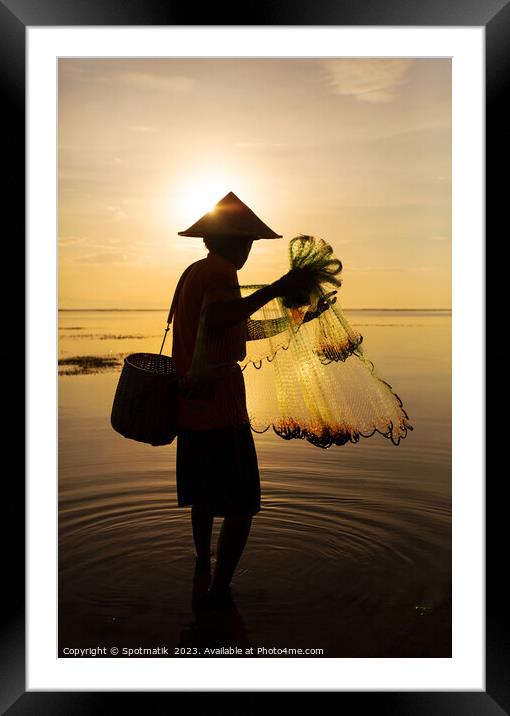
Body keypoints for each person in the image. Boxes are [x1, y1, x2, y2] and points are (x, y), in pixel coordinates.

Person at [171, 192, 332, 608]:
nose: (249, 250)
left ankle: (201, 569)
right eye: (248, 243)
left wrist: (296, 318)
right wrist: (281, 286)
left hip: (190, 408)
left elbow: (235, 328)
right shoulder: (221, 274)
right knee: (242, 507)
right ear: (234, 243)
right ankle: (220, 595)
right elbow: (219, 318)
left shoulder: (194, 272)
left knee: (205, 500)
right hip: (220, 412)